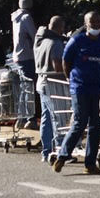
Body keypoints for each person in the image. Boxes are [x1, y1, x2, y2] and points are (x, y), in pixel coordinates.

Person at [52, 12, 100, 174]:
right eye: (92, 22)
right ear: (86, 24)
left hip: (97, 88)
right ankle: (62, 157)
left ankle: (90, 164)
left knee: (96, 126)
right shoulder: (77, 41)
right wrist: (70, 78)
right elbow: (66, 61)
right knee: (80, 122)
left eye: (98, 22)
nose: (96, 25)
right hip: (80, 88)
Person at [33, 15, 67, 163]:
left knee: (46, 117)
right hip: (53, 83)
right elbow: (57, 65)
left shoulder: (40, 41)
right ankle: (60, 149)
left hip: (41, 81)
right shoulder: (55, 42)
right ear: (60, 28)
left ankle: (46, 151)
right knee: (57, 117)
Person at [12, 0, 39, 124]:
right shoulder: (26, 17)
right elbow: (35, 36)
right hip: (27, 55)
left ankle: (21, 117)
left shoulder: (15, 17)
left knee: (24, 87)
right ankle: (29, 117)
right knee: (29, 87)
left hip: (17, 56)